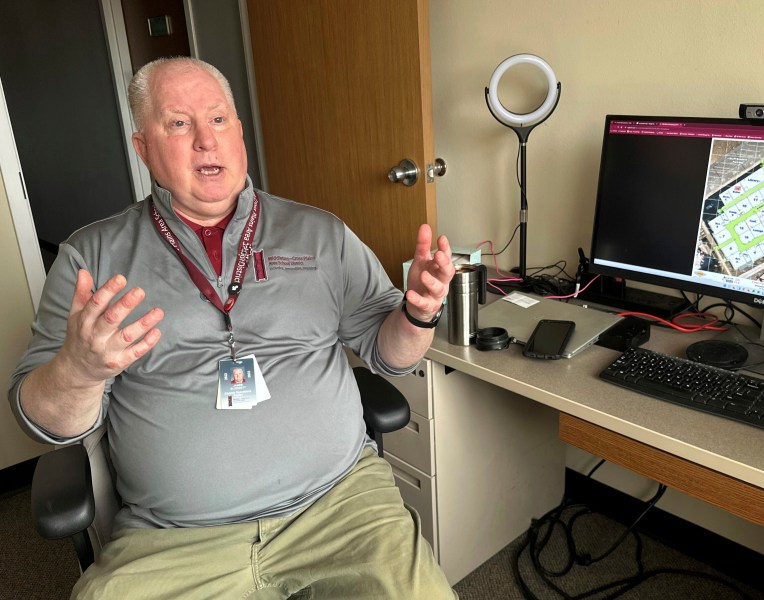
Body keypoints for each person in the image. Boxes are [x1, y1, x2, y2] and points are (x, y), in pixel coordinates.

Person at [8, 57, 457, 599]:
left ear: (239, 132)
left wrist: (418, 314)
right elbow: (41, 420)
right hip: (174, 539)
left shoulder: (320, 234)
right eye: (178, 123)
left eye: (218, 119)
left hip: (339, 506)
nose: (205, 140)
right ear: (143, 147)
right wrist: (78, 372)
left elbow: (394, 357)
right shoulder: (93, 258)